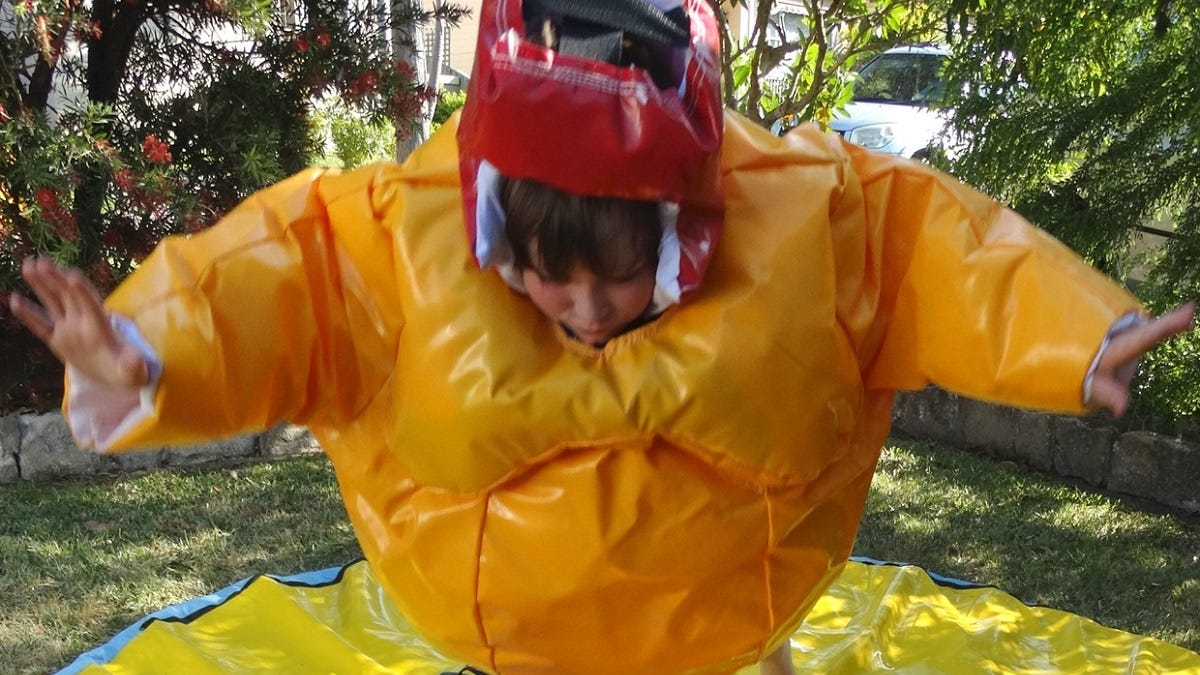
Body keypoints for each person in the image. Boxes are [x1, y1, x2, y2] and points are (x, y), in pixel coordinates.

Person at [8, 0, 1197, 673]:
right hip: (515, 644)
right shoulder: (391, 240)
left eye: (623, 279)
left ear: (688, 227)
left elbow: (943, 252)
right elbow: (276, 284)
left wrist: (1078, 337)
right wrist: (145, 357)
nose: (585, 312)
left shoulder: (815, 219)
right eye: (546, 279)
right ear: (492, 226)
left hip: (731, 637)